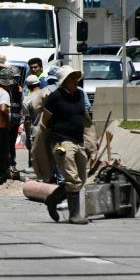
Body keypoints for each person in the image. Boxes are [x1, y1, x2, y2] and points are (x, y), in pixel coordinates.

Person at [42, 65, 89, 225]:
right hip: (62, 142)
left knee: (81, 179)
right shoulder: (55, 97)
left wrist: (89, 141)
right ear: (64, 82)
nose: (75, 81)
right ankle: (74, 215)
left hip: (79, 141)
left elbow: (85, 117)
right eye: (71, 78)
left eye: (76, 77)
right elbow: (45, 120)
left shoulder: (80, 95)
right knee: (72, 178)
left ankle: (52, 199)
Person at [22, 74, 44, 168]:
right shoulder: (47, 95)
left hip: (35, 132)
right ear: (39, 84)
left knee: (34, 157)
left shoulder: (27, 100)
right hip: (48, 130)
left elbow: (27, 121)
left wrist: (27, 137)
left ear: (28, 86)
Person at [6, 67, 24, 176]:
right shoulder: (5, 89)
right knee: (5, 144)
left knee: (11, 144)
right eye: (14, 78)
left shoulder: (18, 89)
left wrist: (20, 120)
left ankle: (12, 164)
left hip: (15, 121)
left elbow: (21, 105)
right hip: (6, 122)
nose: (15, 80)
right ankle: (6, 165)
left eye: (17, 78)